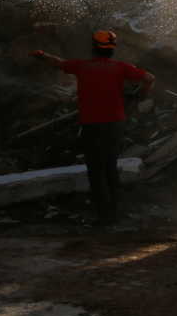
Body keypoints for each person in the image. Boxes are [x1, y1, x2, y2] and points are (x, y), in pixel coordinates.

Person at [30, 31, 154, 224]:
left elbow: (59, 63)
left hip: (91, 125)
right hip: (115, 124)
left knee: (95, 169)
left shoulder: (82, 67)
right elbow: (149, 78)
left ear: (94, 48)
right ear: (112, 50)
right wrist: (141, 96)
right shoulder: (121, 67)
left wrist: (42, 55)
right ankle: (115, 212)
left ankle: (103, 215)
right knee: (110, 167)